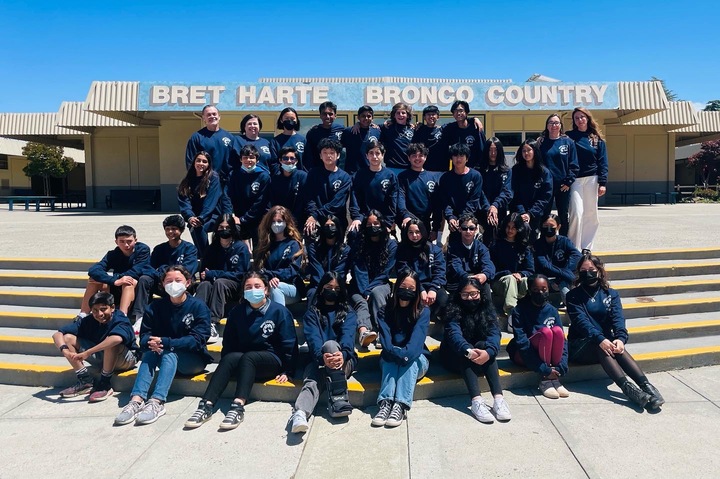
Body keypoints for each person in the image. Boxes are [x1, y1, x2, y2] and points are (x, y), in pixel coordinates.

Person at [184, 271, 298, 430]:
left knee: (249, 357)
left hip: (271, 360)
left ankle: (237, 407)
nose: (253, 290)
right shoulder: (237, 312)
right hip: (245, 359)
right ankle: (206, 406)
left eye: (257, 286)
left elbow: (289, 343)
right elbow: (229, 343)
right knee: (230, 358)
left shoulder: (279, 311)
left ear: (266, 289)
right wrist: (227, 365)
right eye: (248, 287)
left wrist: (288, 370)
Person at [114, 266, 212, 426]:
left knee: (168, 352)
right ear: (163, 284)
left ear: (187, 283)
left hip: (193, 359)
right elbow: (144, 337)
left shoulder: (198, 307)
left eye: (178, 280)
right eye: (169, 281)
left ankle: (157, 402)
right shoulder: (155, 307)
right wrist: (150, 342)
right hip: (160, 353)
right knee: (151, 353)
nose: (173, 284)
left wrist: (166, 342)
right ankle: (136, 400)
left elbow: (198, 340)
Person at [567, 253, 665, 410]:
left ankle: (646, 386)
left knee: (616, 346)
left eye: (591, 269)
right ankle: (630, 390)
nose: (588, 273)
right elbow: (581, 323)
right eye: (583, 270)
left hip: (605, 343)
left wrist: (620, 338)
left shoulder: (611, 294)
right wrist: (600, 339)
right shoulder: (573, 296)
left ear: (599, 270)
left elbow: (618, 319)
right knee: (600, 344)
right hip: (580, 346)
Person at [289, 272, 357, 433]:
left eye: (336, 288)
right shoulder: (312, 312)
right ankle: (333, 401)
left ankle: (302, 411)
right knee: (314, 376)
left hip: (344, 360)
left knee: (331, 347)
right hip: (317, 358)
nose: (332, 291)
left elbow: (347, 338)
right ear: (321, 289)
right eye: (328, 287)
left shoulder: (348, 312)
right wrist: (322, 357)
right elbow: (313, 340)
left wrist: (343, 355)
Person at [439, 277, 511, 423]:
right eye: (465, 294)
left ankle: (498, 399)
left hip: (480, 356)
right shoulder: (452, 310)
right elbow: (454, 335)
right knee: (465, 350)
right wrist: (469, 351)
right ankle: (476, 401)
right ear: (459, 295)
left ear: (480, 293)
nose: (470, 298)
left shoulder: (487, 309)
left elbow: (495, 333)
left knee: (486, 346)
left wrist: (488, 352)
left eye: (474, 294)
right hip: (454, 356)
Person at [371, 269, 431, 428]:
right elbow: (385, 341)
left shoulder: (423, 312)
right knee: (390, 358)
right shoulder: (385, 310)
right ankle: (386, 403)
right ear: (396, 286)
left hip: (418, 359)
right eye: (403, 286)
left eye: (411, 288)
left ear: (417, 290)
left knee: (408, 361)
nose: (407, 291)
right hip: (391, 356)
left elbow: (415, 345)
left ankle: (400, 405)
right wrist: (396, 353)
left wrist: (402, 355)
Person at [53, 291, 136, 401]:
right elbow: (57, 334)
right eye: (95, 310)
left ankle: (105, 383)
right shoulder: (88, 320)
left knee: (111, 342)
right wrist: (65, 351)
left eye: (103, 309)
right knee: (68, 337)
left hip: (126, 359)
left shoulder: (120, 319)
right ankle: (85, 380)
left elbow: (116, 339)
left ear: (112, 308)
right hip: (103, 357)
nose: (99, 314)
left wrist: (87, 352)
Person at [507, 274, 569, 399]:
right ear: (529, 290)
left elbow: (563, 340)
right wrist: (543, 368)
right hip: (523, 354)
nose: (540, 292)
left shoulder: (552, 310)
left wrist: (562, 364)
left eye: (544, 289)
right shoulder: (519, 310)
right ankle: (546, 380)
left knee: (556, 331)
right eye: (536, 290)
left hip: (548, 354)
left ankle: (555, 377)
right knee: (546, 332)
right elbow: (522, 343)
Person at [130, 215, 199, 328]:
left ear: (181, 230)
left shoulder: (189, 248)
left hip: (181, 286)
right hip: (163, 284)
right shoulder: (159, 249)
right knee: (144, 279)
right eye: (167, 229)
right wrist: (162, 276)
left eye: (174, 229)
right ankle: (140, 317)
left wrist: (164, 271)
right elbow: (148, 267)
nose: (170, 232)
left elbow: (188, 270)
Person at [194, 215, 252, 341]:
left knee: (220, 282)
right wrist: (210, 275)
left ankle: (212, 322)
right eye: (221, 227)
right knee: (204, 285)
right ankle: (196, 317)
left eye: (227, 227)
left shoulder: (240, 248)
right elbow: (204, 272)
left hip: (234, 286)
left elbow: (240, 274)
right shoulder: (212, 248)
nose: (224, 230)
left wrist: (214, 274)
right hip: (214, 284)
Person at [80, 225, 151, 326]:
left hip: (135, 290)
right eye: (122, 241)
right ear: (116, 242)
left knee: (129, 280)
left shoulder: (143, 251)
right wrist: (114, 280)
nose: (126, 245)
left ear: (135, 240)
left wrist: (118, 279)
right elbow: (94, 270)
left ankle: (122, 317)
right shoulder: (113, 254)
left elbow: (136, 271)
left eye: (129, 241)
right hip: (116, 287)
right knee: (94, 279)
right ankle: (83, 314)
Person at [349, 210, 397, 348]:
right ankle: (364, 332)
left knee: (377, 294)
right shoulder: (359, 243)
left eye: (376, 223)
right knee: (360, 302)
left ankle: (383, 334)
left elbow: (385, 273)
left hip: (381, 283)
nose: (373, 227)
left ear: (382, 224)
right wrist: (365, 290)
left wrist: (370, 290)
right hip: (358, 284)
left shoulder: (391, 245)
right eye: (369, 224)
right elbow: (359, 269)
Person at [567, 108, 608, 250]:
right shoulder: (569, 137)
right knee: (576, 214)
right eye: (576, 118)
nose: (579, 120)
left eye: (582, 117)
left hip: (592, 179)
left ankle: (587, 248)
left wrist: (602, 183)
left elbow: (603, 162)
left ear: (588, 118)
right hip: (575, 180)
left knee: (591, 215)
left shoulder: (596, 139)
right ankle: (574, 248)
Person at [396, 219, 448, 322]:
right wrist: (420, 289)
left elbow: (440, 272)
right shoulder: (402, 250)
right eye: (411, 232)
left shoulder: (435, 250)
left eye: (417, 232)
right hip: (411, 286)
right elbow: (403, 271)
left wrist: (433, 289)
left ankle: (432, 316)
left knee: (444, 300)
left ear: (423, 232)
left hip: (432, 285)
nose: (414, 235)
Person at [253, 206, 306, 306]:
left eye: (279, 221)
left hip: (290, 287)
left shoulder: (293, 244)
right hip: (266, 285)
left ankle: (279, 319)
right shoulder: (264, 245)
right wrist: (268, 279)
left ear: (286, 222)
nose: (276, 224)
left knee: (275, 286)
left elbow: (292, 271)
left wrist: (274, 277)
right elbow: (258, 270)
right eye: (273, 221)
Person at [537, 113, 579, 236]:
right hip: (547, 186)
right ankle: (544, 239)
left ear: (560, 125)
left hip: (563, 186)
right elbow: (537, 163)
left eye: (556, 123)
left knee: (563, 215)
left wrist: (568, 181)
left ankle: (563, 240)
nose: (554, 125)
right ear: (547, 126)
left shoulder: (568, 142)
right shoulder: (541, 142)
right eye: (551, 123)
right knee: (544, 214)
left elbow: (574, 164)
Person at [437, 143, 488, 242]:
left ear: (467, 158)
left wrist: (462, 219)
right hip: (453, 220)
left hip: (471, 217)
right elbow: (445, 201)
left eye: (461, 156)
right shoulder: (445, 178)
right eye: (455, 156)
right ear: (451, 158)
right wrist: (450, 217)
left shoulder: (475, 176)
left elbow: (474, 200)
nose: (458, 159)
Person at [178, 150, 225, 257]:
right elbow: (184, 202)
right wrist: (190, 217)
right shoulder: (187, 181)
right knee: (194, 226)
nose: (201, 164)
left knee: (200, 226)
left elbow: (211, 202)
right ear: (194, 162)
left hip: (213, 215)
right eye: (198, 161)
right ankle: (204, 255)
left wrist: (202, 218)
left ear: (209, 165)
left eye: (204, 161)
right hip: (195, 217)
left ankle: (206, 256)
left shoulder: (213, 178)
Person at [490, 213, 534, 324]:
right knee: (510, 279)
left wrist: (521, 274)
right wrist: (509, 274)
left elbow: (530, 269)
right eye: (508, 227)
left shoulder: (524, 247)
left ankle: (530, 311)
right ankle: (512, 315)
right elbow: (491, 270)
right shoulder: (496, 245)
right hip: (500, 281)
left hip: (518, 281)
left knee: (527, 281)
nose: (510, 230)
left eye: (513, 228)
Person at [302, 137, 352, 235]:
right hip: (316, 218)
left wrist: (315, 215)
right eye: (325, 152)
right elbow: (309, 197)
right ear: (320, 156)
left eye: (332, 152)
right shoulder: (313, 173)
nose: (328, 155)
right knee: (309, 232)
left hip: (336, 219)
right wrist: (313, 215)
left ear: (338, 155)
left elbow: (337, 203)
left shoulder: (345, 177)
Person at [348, 140, 399, 234]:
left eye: (377, 153)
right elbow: (354, 199)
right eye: (371, 153)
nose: (374, 156)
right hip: (364, 218)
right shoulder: (358, 175)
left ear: (383, 155)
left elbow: (393, 202)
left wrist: (388, 223)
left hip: (383, 219)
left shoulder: (390, 176)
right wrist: (356, 218)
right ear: (367, 156)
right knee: (353, 234)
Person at [226, 144, 271, 248]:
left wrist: (245, 218)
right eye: (245, 157)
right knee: (237, 248)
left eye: (252, 157)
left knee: (259, 249)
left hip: (257, 218)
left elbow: (261, 201)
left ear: (257, 160)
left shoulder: (264, 176)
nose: (248, 160)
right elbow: (227, 196)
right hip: (238, 217)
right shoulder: (233, 175)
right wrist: (231, 215)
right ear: (240, 159)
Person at [397, 143, 442, 243]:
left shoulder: (433, 178)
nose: (417, 158)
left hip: (425, 222)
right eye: (414, 155)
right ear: (408, 158)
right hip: (408, 221)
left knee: (425, 253)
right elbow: (400, 198)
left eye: (421, 155)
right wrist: (405, 216)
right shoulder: (402, 177)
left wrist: (435, 228)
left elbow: (437, 205)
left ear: (425, 157)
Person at [533, 214, 581, 306]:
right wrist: (565, 274)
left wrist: (563, 275)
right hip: (547, 280)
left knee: (564, 283)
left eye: (552, 226)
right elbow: (545, 265)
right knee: (564, 282)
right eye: (546, 226)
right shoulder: (538, 244)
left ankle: (575, 307)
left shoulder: (564, 241)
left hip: (563, 279)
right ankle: (573, 306)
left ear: (558, 227)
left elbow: (577, 256)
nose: (549, 229)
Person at [445, 213, 495, 298]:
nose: (468, 231)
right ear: (460, 229)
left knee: (486, 285)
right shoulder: (453, 247)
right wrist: (468, 278)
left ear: (476, 229)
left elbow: (489, 265)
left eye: (471, 228)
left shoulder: (481, 247)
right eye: (464, 228)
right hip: (459, 280)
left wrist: (484, 275)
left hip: (477, 280)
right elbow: (455, 266)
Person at [509, 139, 553, 232]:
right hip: (518, 211)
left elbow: (545, 197)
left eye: (529, 150)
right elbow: (514, 193)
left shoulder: (544, 172)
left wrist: (530, 213)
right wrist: (522, 213)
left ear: (535, 151)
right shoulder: (516, 170)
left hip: (535, 213)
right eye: (524, 151)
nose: (526, 153)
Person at [305, 214, 350, 302]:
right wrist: (323, 286)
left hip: (337, 286)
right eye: (326, 226)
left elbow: (340, 271)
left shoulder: (345, 249)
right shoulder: (314, 248)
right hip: (317, 286)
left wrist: (331, 286)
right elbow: (316, 269)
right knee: (312, 293)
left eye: (332, 225)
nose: (329, 228)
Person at [185, 105, 234, 183]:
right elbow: (190, 162)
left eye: (214, 114)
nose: (212, 116)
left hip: (226, 183)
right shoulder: (197, 137)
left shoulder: (229, 137)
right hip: (205, 182)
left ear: (219, 116)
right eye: (208, 115)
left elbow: (234, 160)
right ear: (204, 118)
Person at [478, 137, 513, 245]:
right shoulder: (479, 170)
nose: (493, 153)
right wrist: (489, 208)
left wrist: (495, 206)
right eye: (490, 150)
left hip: (499, 212)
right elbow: (479, 192)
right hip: (482, 212)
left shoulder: (507, 171)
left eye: (495, 150)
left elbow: (507, 192)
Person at [440, 100, 486, 168]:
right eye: (455, 111)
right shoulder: (450, 129)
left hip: (475, 169)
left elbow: (483, 149)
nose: (458, 113)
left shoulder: (476, 127)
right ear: (453, 114)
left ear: (466, 112)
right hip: (457, 171)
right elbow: (437, 128)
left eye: (461, 110)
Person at [268, 145, 308, 223]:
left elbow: (308, 200)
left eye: (292, 158)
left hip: (299, 220)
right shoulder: (275, 179)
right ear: (280, 160)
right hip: (280, 220)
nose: (289, 161)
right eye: (285, 158)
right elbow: (271, 202)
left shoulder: (303, 176)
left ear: (296, 161)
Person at [341, 105, 381, 174]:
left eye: (369, 116)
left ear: (372, 118)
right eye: (363, 116)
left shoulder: (377, 131)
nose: (366, 118)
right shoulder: (349, 132)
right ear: (358, 117)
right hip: (352, 172)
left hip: (370, 172)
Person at [305, 101, 344, 169]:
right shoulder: (313, 133)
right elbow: (308, 156)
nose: (327, 117)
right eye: (324, 114)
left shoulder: (342, 130)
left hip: (337, 171)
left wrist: (357, 124)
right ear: (320, 115)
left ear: (335, 116)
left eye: (330, 114)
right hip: (318, 172)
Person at [380, 102, 415, 171]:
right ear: (394, 115)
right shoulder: (387, 128)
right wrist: (358, 124)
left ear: (408, 115)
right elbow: (370, 127)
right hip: (391, 167)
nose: (400, 115)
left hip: (409, 168)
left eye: (403, 113)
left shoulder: (413, 129)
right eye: (398, 113)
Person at [411, 105, 446, 172]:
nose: (431, 117)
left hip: (441, 169)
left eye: (433, 114)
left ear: (438, 117)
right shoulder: (419, 130)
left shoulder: (444, 130)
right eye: (428, 115)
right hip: (423, 169)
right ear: (424, 117)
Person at [270, 107, 307, 171]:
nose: (290, 121)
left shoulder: (303, 140)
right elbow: (273, 163)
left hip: (300, 178)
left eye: (292, 119)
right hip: (281, 178)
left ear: (297, 120)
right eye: (287, 118)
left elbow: (307, 161)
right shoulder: (275, 142)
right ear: (281, 120)